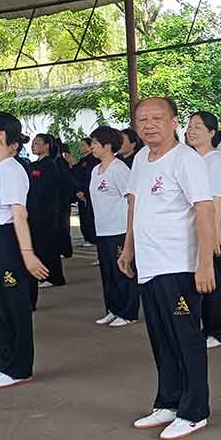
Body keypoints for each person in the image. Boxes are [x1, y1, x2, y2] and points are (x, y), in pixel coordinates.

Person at [123, 97, 217, 440]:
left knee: (186, 338)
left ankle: (195, 411)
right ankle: (169, 401)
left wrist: (204, 263)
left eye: (157, 118)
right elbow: (136, 205)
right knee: (161, 337)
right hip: (150, 264)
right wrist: (128, 248)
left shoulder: (187, 160)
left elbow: (205, 211)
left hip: (179, 265)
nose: (149, 124)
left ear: (174, 121)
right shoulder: (140, 160)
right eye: (142, 119)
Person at [0, 113, 49, 387]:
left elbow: (19, 214)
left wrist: (27, 254)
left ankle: (19, 367)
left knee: (11, 303)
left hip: (4, 239)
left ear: (1, 136)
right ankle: (0, 361)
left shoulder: (13, 170)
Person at [186, 111, 221, 349]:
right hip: (195, 230)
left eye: (197, 127)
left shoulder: (215, 161)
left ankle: (220, 331)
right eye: (189, 126)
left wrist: (214, 233)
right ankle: (207, 328)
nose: (191, 131)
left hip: (213, 230)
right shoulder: (191, 158)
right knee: (200, 282)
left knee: (214, 281)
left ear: (211, 133)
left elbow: (217, 200)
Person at [87, 126, 139, 328]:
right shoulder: (95, 170)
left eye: (95, 144)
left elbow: (131, 200)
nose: (92, 147)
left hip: (119, 230)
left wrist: (130, 231)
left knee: (122, 271)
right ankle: (113, 309)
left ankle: (128, 312)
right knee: (107, 272)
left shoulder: (119, 169)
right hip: (103, 229)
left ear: (107, 146)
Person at [25, 134, 70, 291]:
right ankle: (42, 275)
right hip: (32, 211)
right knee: (37, 245)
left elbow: (45, 188)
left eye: (37, 143)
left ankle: (54, 277)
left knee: (49, 245)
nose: (33, 145)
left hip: (47, 212)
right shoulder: (31, 165)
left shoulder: (51, 165)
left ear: (47, 146)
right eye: (33, 143)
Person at [72, 137, 99, 252]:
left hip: (88, 193)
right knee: (84, 217)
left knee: (90, 217)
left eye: (83, 145)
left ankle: (94, 239)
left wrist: (84, 191)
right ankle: (88, 237)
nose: (81, 148)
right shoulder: (83, 160)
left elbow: (89, 178)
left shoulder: (93, 160)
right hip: (81, 193)